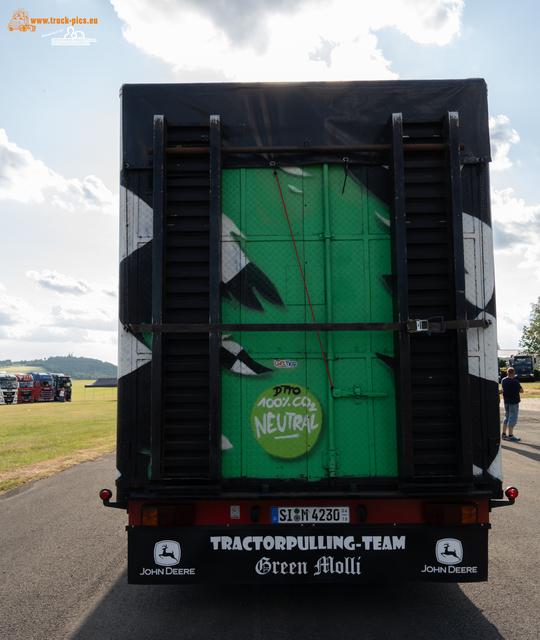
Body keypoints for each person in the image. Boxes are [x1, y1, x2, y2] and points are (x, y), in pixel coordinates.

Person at [500, 367, 523, 442]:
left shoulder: (503, 380)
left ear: (507, 373)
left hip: (506, 401)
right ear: (514, 374)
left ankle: (503, 433)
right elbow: (521, 390)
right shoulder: (515, 382)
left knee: (506, 417)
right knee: (512, 418)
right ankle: (510, 434)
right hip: (513, 401)